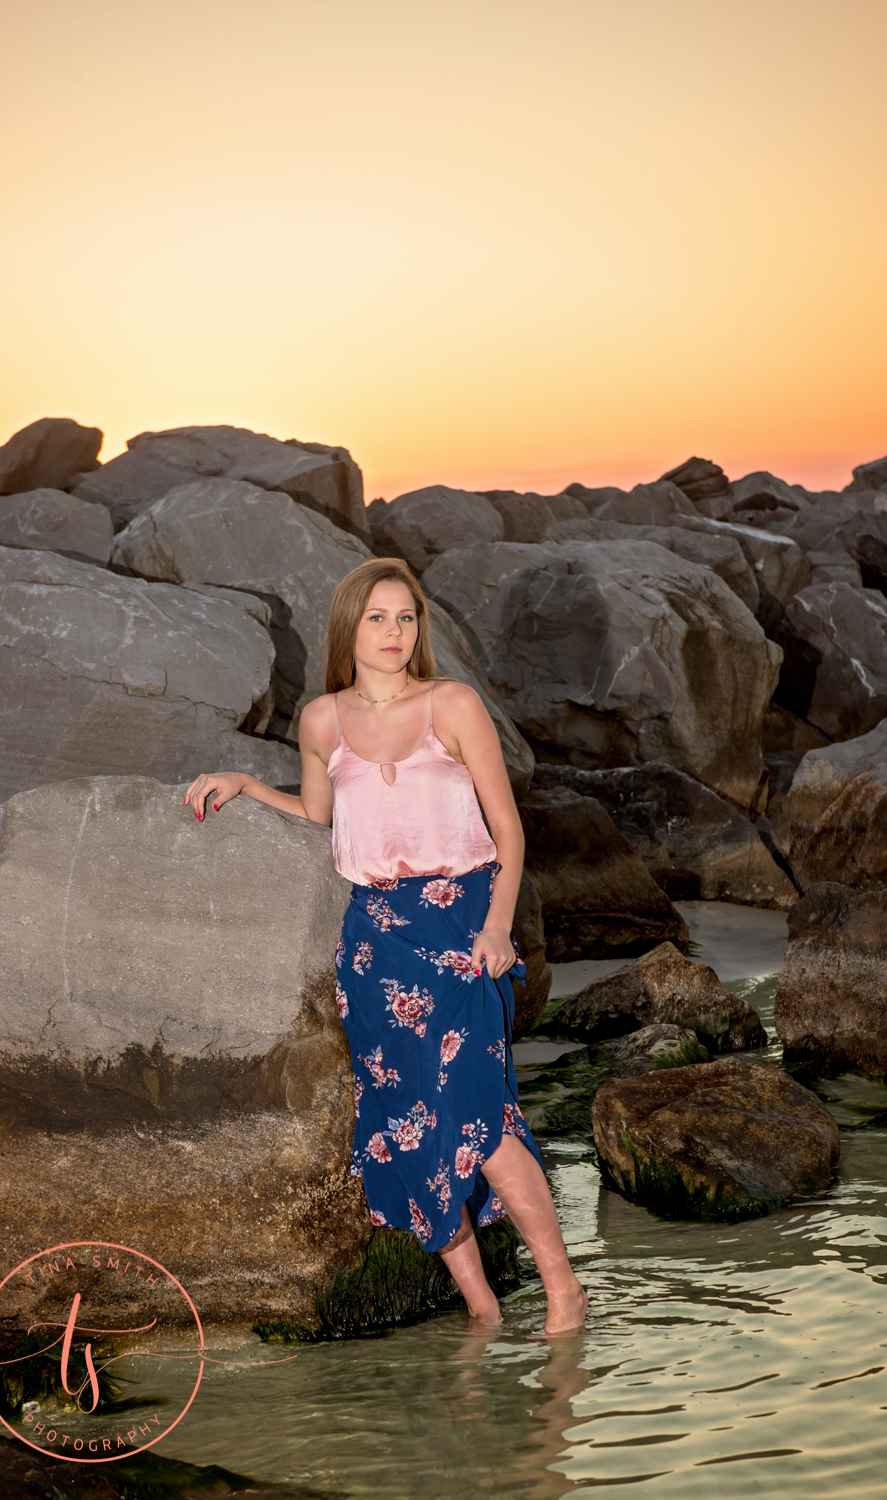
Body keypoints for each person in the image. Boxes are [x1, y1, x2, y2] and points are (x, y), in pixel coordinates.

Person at [185, 557, 587, 1335]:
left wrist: (498, 927)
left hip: (464, 923)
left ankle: (563, 1289)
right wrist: (245, 782)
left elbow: (508, 830)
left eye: (406, 618)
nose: (395, 633)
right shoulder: (322, 720)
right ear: (348, 628)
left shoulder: (452, 704)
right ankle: (481, 1309)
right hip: (377, 942)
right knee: (405, 1121)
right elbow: (316, 812)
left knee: (480, 1111)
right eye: (378, 618)